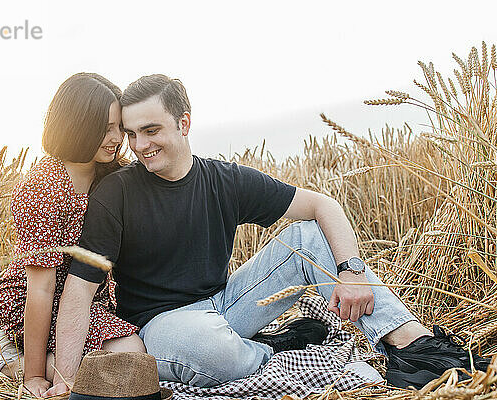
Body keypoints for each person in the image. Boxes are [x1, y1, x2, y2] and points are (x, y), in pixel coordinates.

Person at [47, 74, 489, 394]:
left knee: (307, 237)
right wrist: (66, 383)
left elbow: (324, 205)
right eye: (131, 133)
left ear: (183, 123)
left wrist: (351, 272)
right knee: (213, 353)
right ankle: (280, 354)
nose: (139, 145)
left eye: (151, 130)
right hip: (164, 324)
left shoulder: (224, 179)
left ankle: (416, 346)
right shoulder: (116, 192)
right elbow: (79, 292)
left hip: (227, 305)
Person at [0, 73, 145, 398]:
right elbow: (41, 288)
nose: (117, 138)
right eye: (105, 129)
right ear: (76, 125)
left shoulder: (112, 174)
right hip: (34, 300)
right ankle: (15, 364)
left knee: (132, 358)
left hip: (87, 299)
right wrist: (34, 377)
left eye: (120, 127)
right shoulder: (43, 188)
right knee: (123, 359)